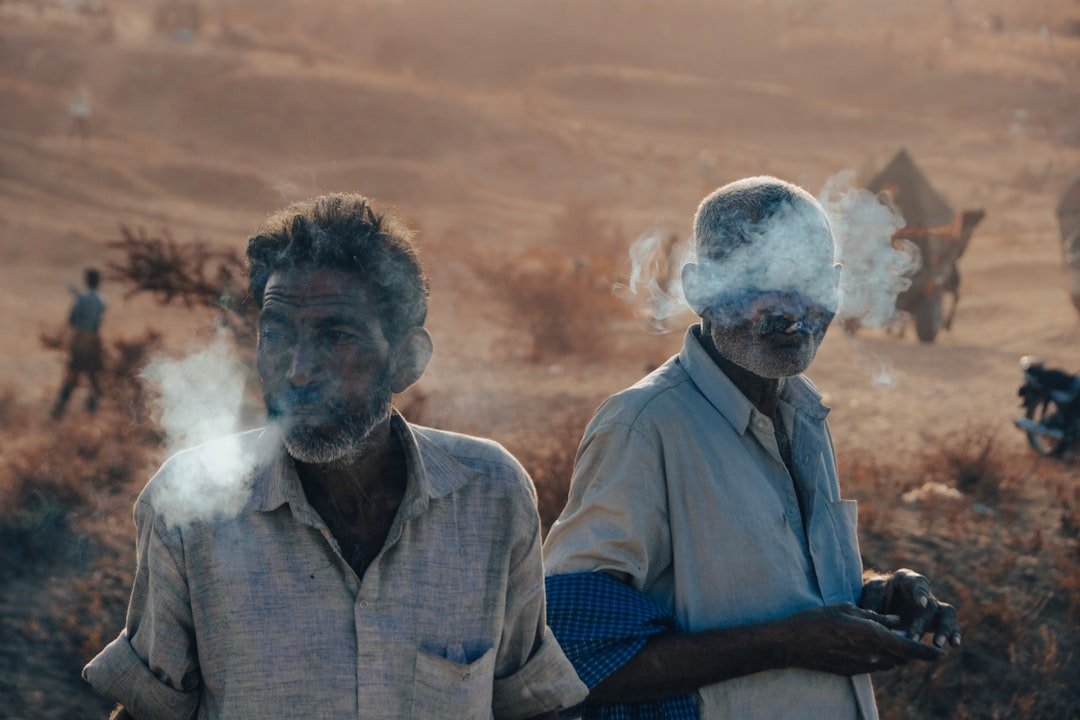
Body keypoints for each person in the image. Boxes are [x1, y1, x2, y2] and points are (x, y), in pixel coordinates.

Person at [83, 194, 587, 719]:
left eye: (337, 336)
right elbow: (149, 710)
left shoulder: (491, 496)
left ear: (407, 360)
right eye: (277, 333)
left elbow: (530, 707)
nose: (299, 371)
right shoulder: (188, 510)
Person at [543, 177, 961, 719]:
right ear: (699, 289)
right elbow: (573, 651)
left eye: (810, 281)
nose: (792, 312)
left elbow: (782, 592)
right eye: (760, 279)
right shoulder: (643, 427)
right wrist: (788, 643)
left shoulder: (804, 414)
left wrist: (877, 596)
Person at [52, 267, 106, 418]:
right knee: (94, 380)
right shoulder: (101, 300)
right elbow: (99, 322)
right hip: (94, 344)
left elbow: (72, 320)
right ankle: (91, 413)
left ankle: (58, 413)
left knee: (71, 379)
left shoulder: (81, 300)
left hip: (80, 344)